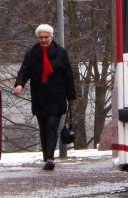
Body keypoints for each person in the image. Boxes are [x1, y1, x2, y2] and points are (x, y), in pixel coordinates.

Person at [13, 24, 76, 171]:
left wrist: (71, 97)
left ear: (51, 37)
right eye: (41, 37)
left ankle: (49, 158)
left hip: (57, 97)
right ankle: (46, 156)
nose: (43, 40)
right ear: (37, 38)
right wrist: (19, 85)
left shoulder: (61, 53)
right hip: (39, 97)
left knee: (51, 126)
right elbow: (24, 71)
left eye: (46, 37)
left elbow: (68, 76)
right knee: (43, 128)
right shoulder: (31, 54)